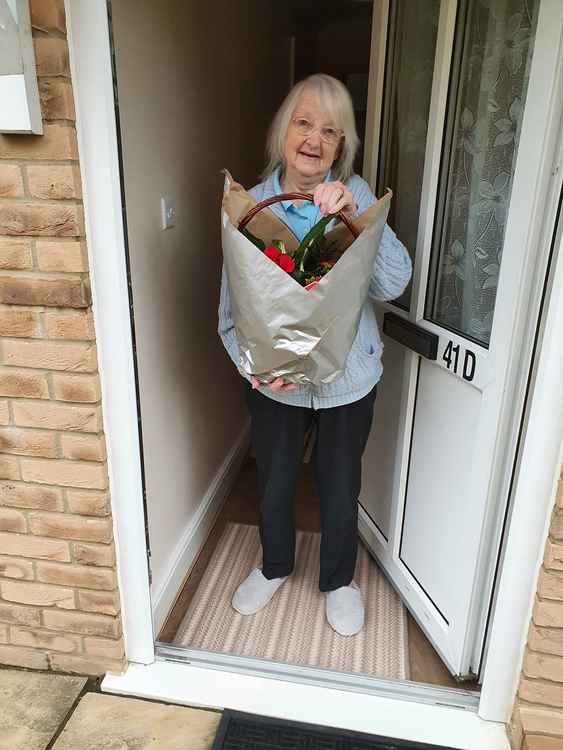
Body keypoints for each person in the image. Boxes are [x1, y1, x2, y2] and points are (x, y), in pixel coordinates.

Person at [218, 73, 412, 636]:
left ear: (341, 145)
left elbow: (394, 285)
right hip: (275, 383)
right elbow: (231, 312)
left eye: (330, 131)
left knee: (338, 484)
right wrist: (254, 370)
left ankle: (338, 580)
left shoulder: (356, 196)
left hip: (348, 380)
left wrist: (355, 215)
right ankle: (274, 565)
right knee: (275, 480)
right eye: (304, 123)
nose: (314, 139)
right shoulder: (252, 207)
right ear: (284, 131)